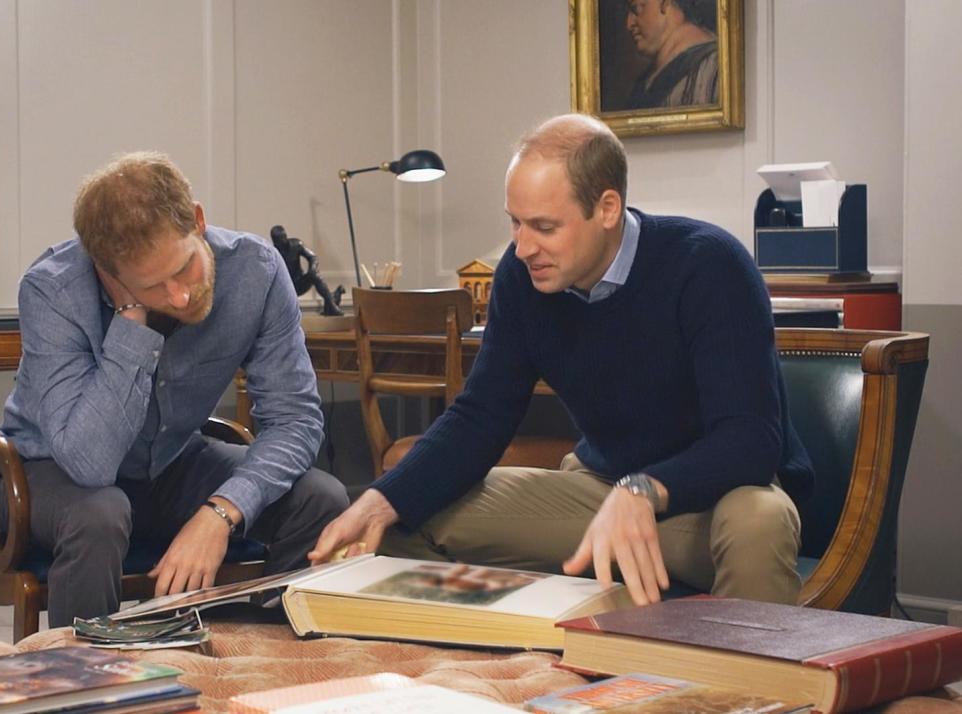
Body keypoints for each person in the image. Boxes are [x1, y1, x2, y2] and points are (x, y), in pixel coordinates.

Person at [310, 114, 812, 607]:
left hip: (718, 499)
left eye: (545, 227)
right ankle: (514, 655)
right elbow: (481, 416)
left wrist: (642, 491)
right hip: (598, 491)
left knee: (757, 524)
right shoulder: (522, 276)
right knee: (409, 513)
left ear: (608, 208)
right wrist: (383, 498)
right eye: (515, 222)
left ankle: (746, 685)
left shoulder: (708, 265)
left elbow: (750, 440)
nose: (524, 247)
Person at [0, 151, 349, 626]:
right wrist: (131, 321)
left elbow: (295, 420)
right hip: (47, 474)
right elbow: (89, 464)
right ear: (108, 272)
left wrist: (221, 511)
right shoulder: (51, 290)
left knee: (319, 497)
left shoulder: (256, 272)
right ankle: (86, 684)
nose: (179, 296)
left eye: (184, 269)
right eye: (153, 286)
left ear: (198, 221)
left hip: (174, 464)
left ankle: (262, 666)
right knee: (100, 513)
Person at [624, 0, 719, 109]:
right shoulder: (644, 83)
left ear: (665, 3)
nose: (629, 24)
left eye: (636, 9)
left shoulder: (714, 67)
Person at [270, 225, 344, 316]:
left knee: (315, 275)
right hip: (285, 288)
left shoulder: (296, 245)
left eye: (281, 240)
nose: (279, 244)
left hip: (300, 283)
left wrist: (312, 268)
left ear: (285, 238)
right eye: (276, 242)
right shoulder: (272, 252)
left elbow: (312, 257)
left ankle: (332, 306)